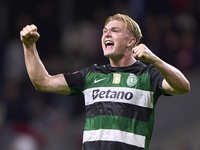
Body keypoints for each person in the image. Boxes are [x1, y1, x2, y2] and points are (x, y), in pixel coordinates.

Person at [20, 13, 190, 150]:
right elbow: (42, 82)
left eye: (114, 30)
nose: (106, 34)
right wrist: (29, 47)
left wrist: (154, 60)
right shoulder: (91, 75)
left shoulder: (148, 75)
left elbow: (183, 86)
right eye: (104, 31)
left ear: (131, 41)